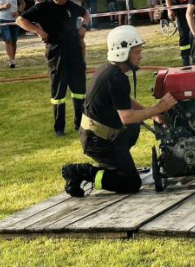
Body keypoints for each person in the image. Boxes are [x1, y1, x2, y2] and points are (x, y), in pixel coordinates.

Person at [61, 25, 178, 197]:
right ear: (123, 53)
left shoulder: (111, 71)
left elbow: (124, 102)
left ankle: (115, 164)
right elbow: (127, 117)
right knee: (130, 183)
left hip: (97, 134)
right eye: (137, 52)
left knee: (134, 127)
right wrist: (159, 107)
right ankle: (83, 172)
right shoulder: (116, 78)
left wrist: (154, 114)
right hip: (97, 141)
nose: (141, 56)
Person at [16, 0, 90, 136]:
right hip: (56, 53)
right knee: (58, 94)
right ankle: (59, 128)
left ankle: (81, 124)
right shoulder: (42, 8)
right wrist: (38, 31)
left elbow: (86, 14)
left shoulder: (71, 6)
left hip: (74, 52)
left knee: (79, 91)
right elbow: (20, 20)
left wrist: (83, 26)